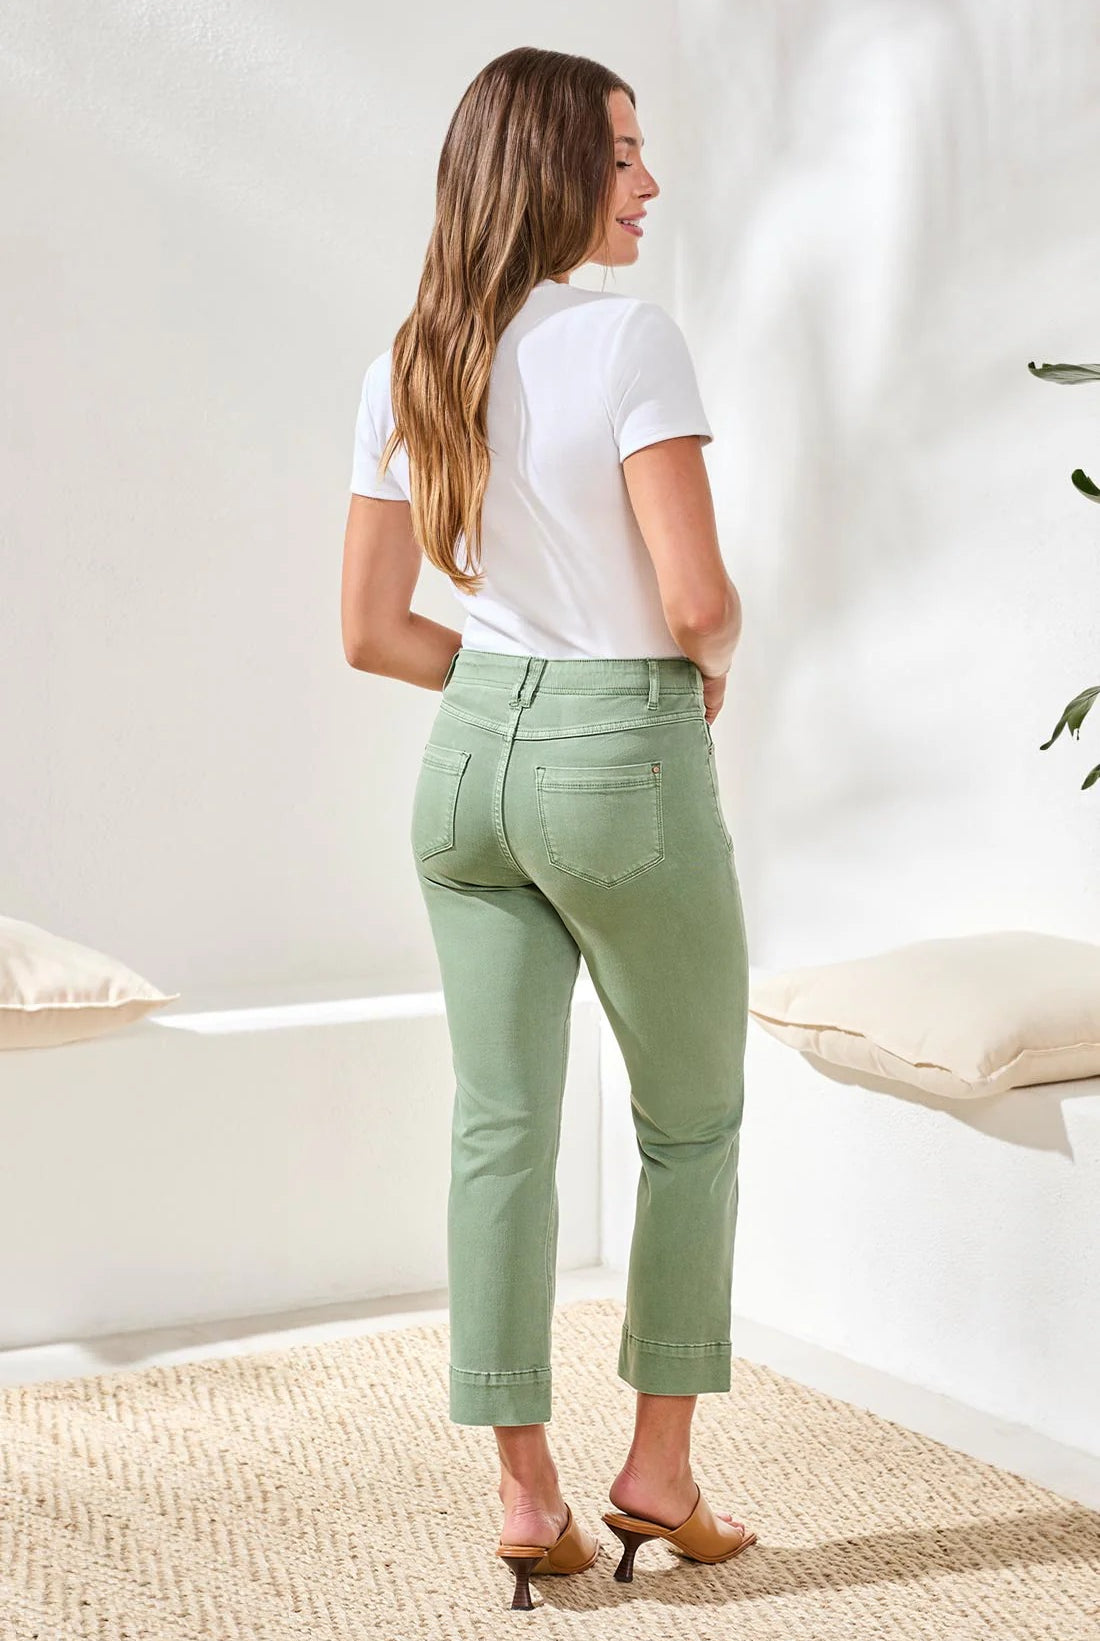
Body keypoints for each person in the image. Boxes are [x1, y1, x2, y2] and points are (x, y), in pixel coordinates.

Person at [341, 45, 754, 1609]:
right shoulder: (629, 340)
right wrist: (707, 666)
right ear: (553, 169)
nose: (648, 182)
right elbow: (698, 599)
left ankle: (527, 1493)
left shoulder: (408, 361)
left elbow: (373, 629)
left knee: (499, 1127)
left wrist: (509, 682)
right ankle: (658, 1472)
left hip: (465, 771)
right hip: (619, 759)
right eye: (623, 153)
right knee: (691, 1122)